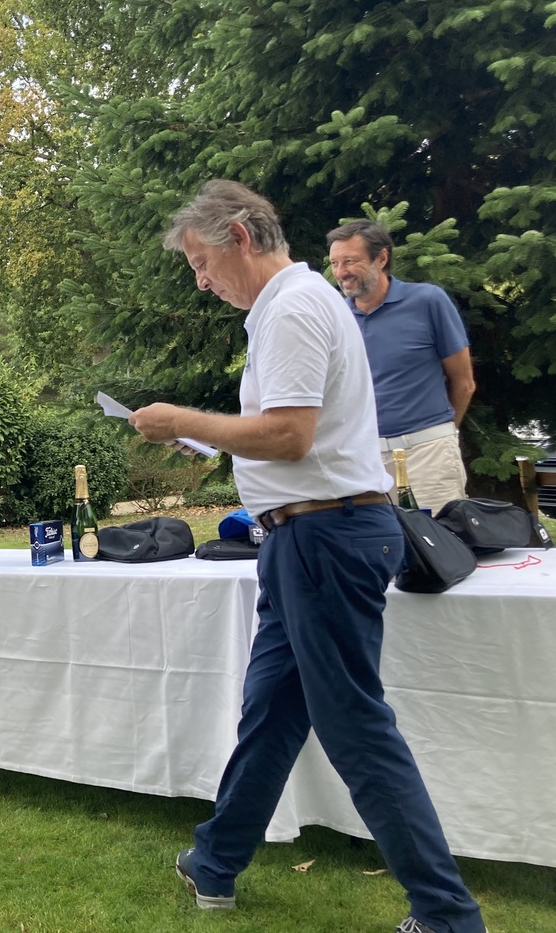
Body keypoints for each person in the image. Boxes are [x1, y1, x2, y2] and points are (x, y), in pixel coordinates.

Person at [130, 181, 486, 933]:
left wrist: (182, 420)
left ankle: (446, 915)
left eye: (201, 263)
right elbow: (293, 436)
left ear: (239, 237)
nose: (201, 281)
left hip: (324, 536)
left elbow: (289, 435)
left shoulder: (291, 306)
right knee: (272, 712)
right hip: (308, 537)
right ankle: (216, 861)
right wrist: (215, 438)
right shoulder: (294, 304)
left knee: (355, 727)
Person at [326, 219, 475, 513]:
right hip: (362, 462)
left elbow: (464, 383)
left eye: (350, 261)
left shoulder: (428, 301)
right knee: (375, 541)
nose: (341, 272)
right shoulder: (336, 316)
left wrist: (441, 435)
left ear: (381, 258)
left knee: (439, 540)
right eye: (334, 263)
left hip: (429, 455)